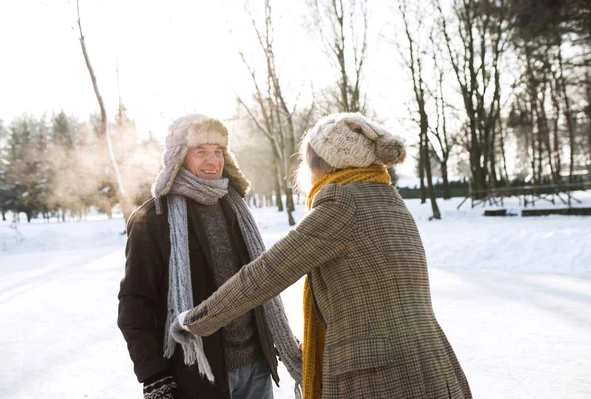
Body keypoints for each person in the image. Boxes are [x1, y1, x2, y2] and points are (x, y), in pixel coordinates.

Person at [175, 113, 473, 398]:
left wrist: (196, 320)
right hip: (434, 368)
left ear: (324, 165)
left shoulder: (342, 203)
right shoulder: (388, 198)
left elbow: (265, 275)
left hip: (378, 378)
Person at [117, 114, 302, 399]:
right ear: (178, 157)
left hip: (258, 366)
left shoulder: (236, 208)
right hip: (200, 375)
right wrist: (153, 375)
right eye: (200, 151)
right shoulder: (153, 218)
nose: (213, 161)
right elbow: (135, 303)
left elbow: (259, 284)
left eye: (218, 152)